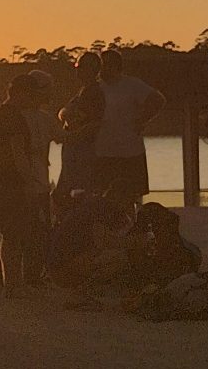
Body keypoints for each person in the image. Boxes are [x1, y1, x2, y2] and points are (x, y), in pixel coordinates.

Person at [0, 69, 63, 297]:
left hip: (2, 181)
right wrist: (29, 182)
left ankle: (11, 282)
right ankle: (13, 285)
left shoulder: (1, 114)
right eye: (30, 95)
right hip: (13, 183)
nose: (33, 100)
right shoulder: (13, 117)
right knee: (15, 235)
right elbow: (18, 153)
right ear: (21, 93)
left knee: (13, 233)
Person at [92, 49, 165, 204]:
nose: (100, 70)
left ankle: (134, 218)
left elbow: (158, 100)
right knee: (104, 195)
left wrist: (142, 120)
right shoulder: (96, 88)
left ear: (114, 66)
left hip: (131, 151)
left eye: (103, 65)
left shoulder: (132, 84)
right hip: (103, 151)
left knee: (133, 195)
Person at [46, 179, 136, 300]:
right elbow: (104, 242)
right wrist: (135, 242)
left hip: (59, 267)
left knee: (113, 255)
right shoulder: (101, 208)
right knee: (120, 259)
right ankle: (84, 292)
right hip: (63, 271)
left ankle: (88, 290)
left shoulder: (94, 205)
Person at [54, 51, 105, 215]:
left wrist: (72, 136)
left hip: (83, 151)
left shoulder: (94, 92)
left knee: (77, 190)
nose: (77, 70)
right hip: (75, 149)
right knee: (67, 189)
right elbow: (64, 112)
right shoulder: (84, 91)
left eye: (79, 66)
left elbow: (95, 123)